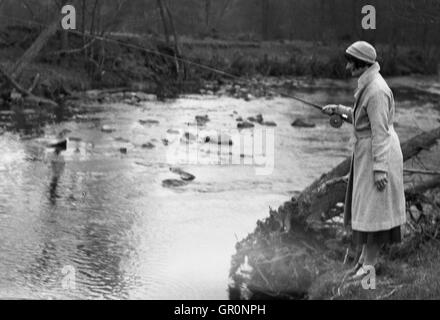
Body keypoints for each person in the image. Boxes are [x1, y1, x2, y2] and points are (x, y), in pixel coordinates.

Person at [322, 41, 406, 279]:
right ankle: (363, 262)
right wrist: (339, 109)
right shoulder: (369, 85)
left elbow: (380, 132)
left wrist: (380, 169)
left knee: (375, 212)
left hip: (379, 157)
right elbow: (362, 119)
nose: (348, 67)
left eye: (351, 63)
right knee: (368, 210)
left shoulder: (377, 90)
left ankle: (369, 266)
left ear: (363, 64)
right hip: (367, 155)